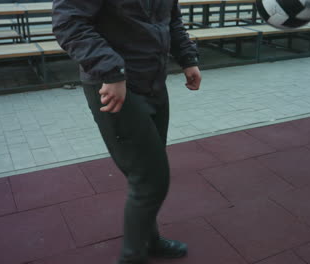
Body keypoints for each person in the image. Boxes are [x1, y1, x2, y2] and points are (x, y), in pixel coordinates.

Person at [52, 0, 202, 263]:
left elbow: (171, 18)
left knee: (147, 174)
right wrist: (112, 71)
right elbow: (69, 23)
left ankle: (149, 241)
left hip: (153, 80)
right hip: (113, 85)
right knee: (150, 178)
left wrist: (187, 58)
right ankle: (132, 257)